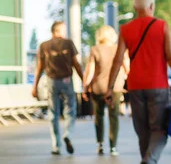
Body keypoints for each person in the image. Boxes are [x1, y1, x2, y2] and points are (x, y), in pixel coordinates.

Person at [105, 0, 171, 164]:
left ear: (135, 8)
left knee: (143, 131)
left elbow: (117, 60)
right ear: (152, 6)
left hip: (135, 86)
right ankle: (149, 162)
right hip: (158, 84)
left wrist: (109, 87)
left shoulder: (125, 29)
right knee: (159, 129)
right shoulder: (161, 26)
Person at [31, 21, 84, 155]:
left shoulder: (44, 45)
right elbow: (76, 64)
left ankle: (56, 146)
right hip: (66, 80)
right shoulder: (68, 43)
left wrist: (35, 86)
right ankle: (68, 134)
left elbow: (40, 67)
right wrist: (84, 81)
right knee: (70, 110)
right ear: (57, 31)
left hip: (51, 81)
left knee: (53, 113)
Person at [83, 25, 128, 156]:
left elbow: (90, 70)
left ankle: (100, 144)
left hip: (98, 88)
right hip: (115, 87)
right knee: (114, 116)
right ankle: (113, 146)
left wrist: (86, 86)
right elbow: (126, 67)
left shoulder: (95, 49)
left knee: (99, 116)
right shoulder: (118, 49)